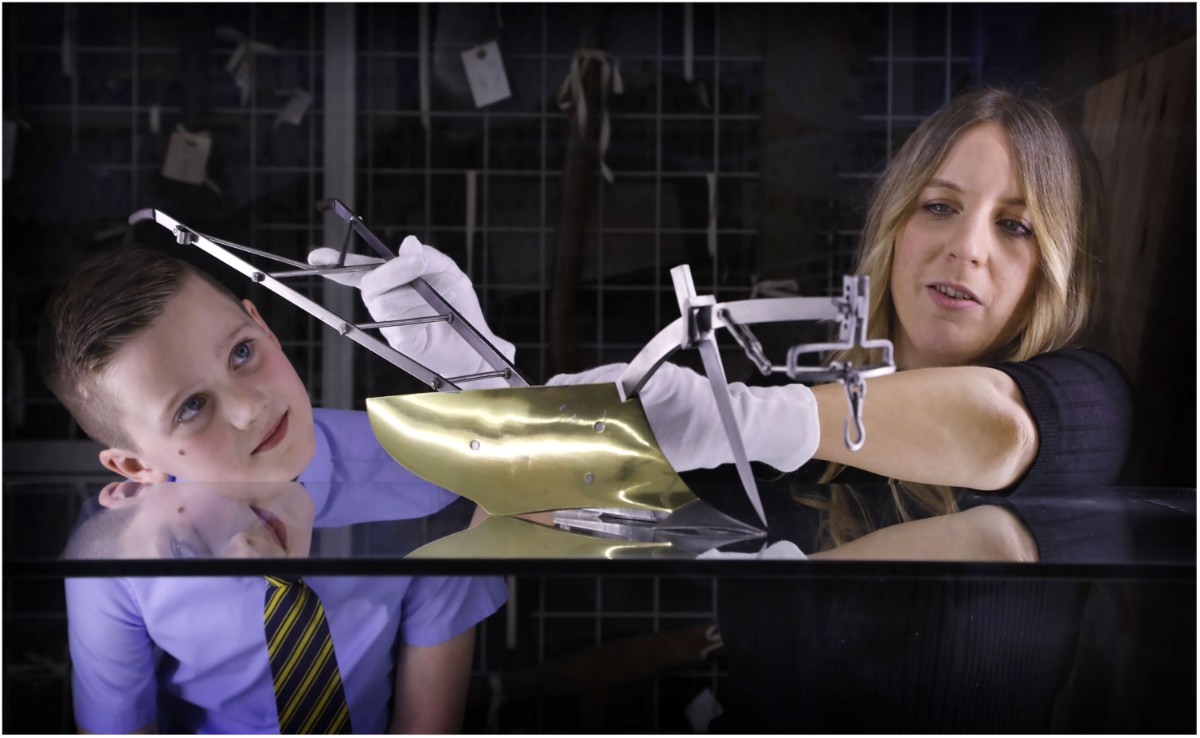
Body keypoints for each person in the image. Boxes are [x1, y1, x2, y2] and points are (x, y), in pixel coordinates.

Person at [315, 84, 1136, 732]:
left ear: (1054, 267)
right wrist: (475, 370)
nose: (968, 246)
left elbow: (997, 427)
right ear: (897, 224)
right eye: (941, 205)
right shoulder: (789, 406)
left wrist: (735, 419)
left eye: (1017, 226)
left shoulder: (1088, 397)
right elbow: (568, 500)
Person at [37, 247, 508, 733]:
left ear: (263, 326)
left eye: (242, 352)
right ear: (136, 465)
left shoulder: (424, 480)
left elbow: (426, 725)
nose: (249, 409)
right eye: (192, 407)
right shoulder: (115, 557)